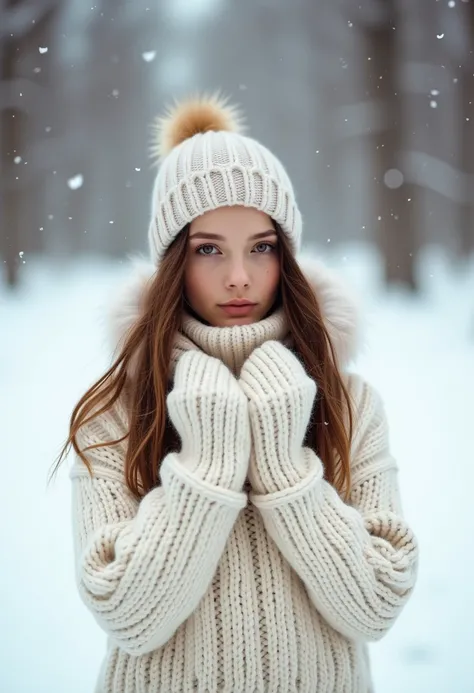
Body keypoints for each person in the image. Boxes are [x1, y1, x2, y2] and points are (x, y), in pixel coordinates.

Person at [53, 94, 419, 692]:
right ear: (173, 262)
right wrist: (211, 458)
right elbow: (126, 613)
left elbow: (376, 605)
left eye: (261, 246)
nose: (239, 277)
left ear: (287, 255)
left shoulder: (348, 402)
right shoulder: (115, 415)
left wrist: (282, 465)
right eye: (208, 250)